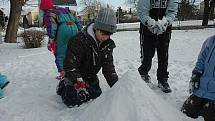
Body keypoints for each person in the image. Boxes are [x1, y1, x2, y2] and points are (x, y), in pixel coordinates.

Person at [56, 8, 118, 107]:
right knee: (73, 100)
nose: (105, 38)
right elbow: (69, 65)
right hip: (75, 77)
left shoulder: (107, 45)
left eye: (109, 35)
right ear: (97, 28)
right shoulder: (78, 41)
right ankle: (63, 84)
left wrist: (117, 87)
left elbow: (108, 68)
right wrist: (78, 80)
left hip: (91, 77)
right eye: (103, 34)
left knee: (96, 97)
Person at [137, 0, 178, 93]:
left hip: (165, 30)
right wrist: (149, 22)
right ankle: (143, 74)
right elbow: (142, 11)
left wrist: (166, 21)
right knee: (147, 54)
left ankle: (162, 79)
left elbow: (172, 11)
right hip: (147, 30)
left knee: (163, 55)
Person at [39, 0, 82, 79]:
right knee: (74, 51)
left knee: (60, 53)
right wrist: (80, 31)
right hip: (74, 28)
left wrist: (51, 38)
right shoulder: (65, 10)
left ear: (43, 8)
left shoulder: (49, 13)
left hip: (63, 30)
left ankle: (63, 73)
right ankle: (76, 70)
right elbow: (78, 20)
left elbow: (52, 26)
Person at [181, 35, 215, 121]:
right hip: (201, 89)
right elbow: (201, 60)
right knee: (187, 111)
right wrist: (195, 75)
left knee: (209, 115)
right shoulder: (210, 41)